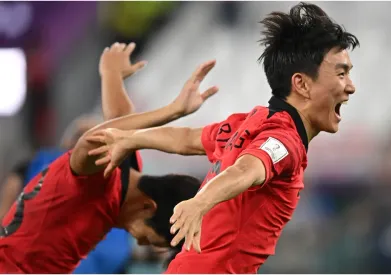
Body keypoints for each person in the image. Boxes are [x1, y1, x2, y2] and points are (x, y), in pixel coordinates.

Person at [86, 2, 359, 273]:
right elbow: (247, 169)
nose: (350, 86)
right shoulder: (285, 141)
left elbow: (185, 139)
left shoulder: (247, 124)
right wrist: (200, 203)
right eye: (341, 73)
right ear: (301, 84)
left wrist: (131, 138)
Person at [0, 42, 218, 273]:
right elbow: (91, 141)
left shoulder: (125, 163)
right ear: (147, 207)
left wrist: (111, 74)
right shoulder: (102, 177)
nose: (143, 242)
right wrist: (171, 111)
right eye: (152, 239)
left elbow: (119, 120)